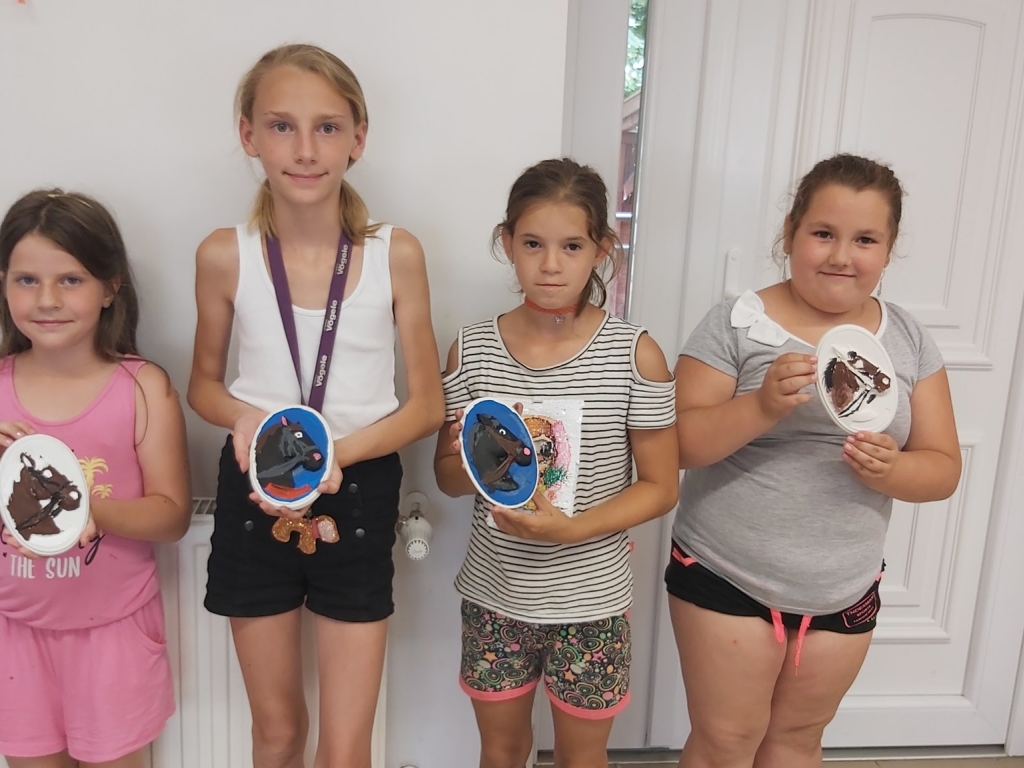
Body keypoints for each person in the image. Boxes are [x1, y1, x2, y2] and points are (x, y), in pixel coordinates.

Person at [187, 44, 444, 768]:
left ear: (358, 138)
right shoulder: (224, 254)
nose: (305, 150)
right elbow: (202, 384)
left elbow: (426, 405)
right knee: (276, 733)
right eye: (281, 126)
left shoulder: (396, 252)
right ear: (248, 136)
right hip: (255, 483)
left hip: (358, 486)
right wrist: (242, 419)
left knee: (345, 745)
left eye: (327, 127)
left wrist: (336, 457)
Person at [666, 154, 961, 768]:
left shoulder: (908, 339)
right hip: (727, 572)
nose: (841, 256)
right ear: (790, 232)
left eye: (865, 240)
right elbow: (678, 445)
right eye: (823, 233)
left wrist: (895, 469)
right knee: (726, 741)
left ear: (889, 249)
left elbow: (942, 468)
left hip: (843, 587)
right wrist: (760, 407)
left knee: (797, 739)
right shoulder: (738, 323)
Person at [434, 158, 680, 768]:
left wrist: (571, 529)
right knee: (502, 750)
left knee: (581, 757)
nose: (550, 264)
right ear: (507, 243)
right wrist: (480, 461)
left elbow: (660, 486)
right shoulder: (472, 349)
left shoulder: (635, 354)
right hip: (495, 592)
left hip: (592, 601)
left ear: (601, 250)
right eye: (533, 244)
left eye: (571, 246)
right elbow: (446, 475)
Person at [0, 189, 192, 768]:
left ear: (110, 288)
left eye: (71, 279)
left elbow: (171, 514)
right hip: (13, 632)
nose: (47, 299)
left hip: (113, 635)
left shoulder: (142, 388)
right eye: (26, 280)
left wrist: (89, 510)